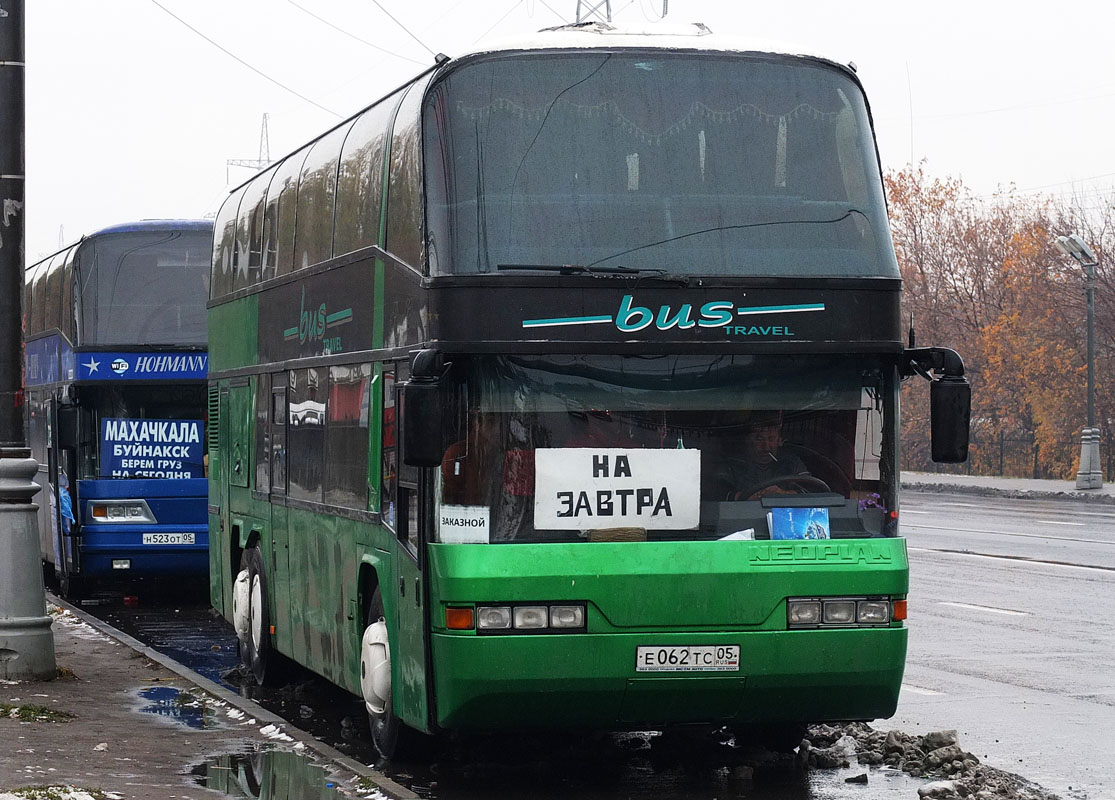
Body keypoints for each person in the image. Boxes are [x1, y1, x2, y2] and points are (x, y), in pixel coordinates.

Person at [719, 411, 812, 500]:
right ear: (747, 440)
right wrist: (743, 497)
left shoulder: (791, 463)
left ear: (779, 441)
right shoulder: (732, 466)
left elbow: (812, 490)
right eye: (759, 439)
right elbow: (715, 493)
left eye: (771, 439)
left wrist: (783, 494)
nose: (766, 447)